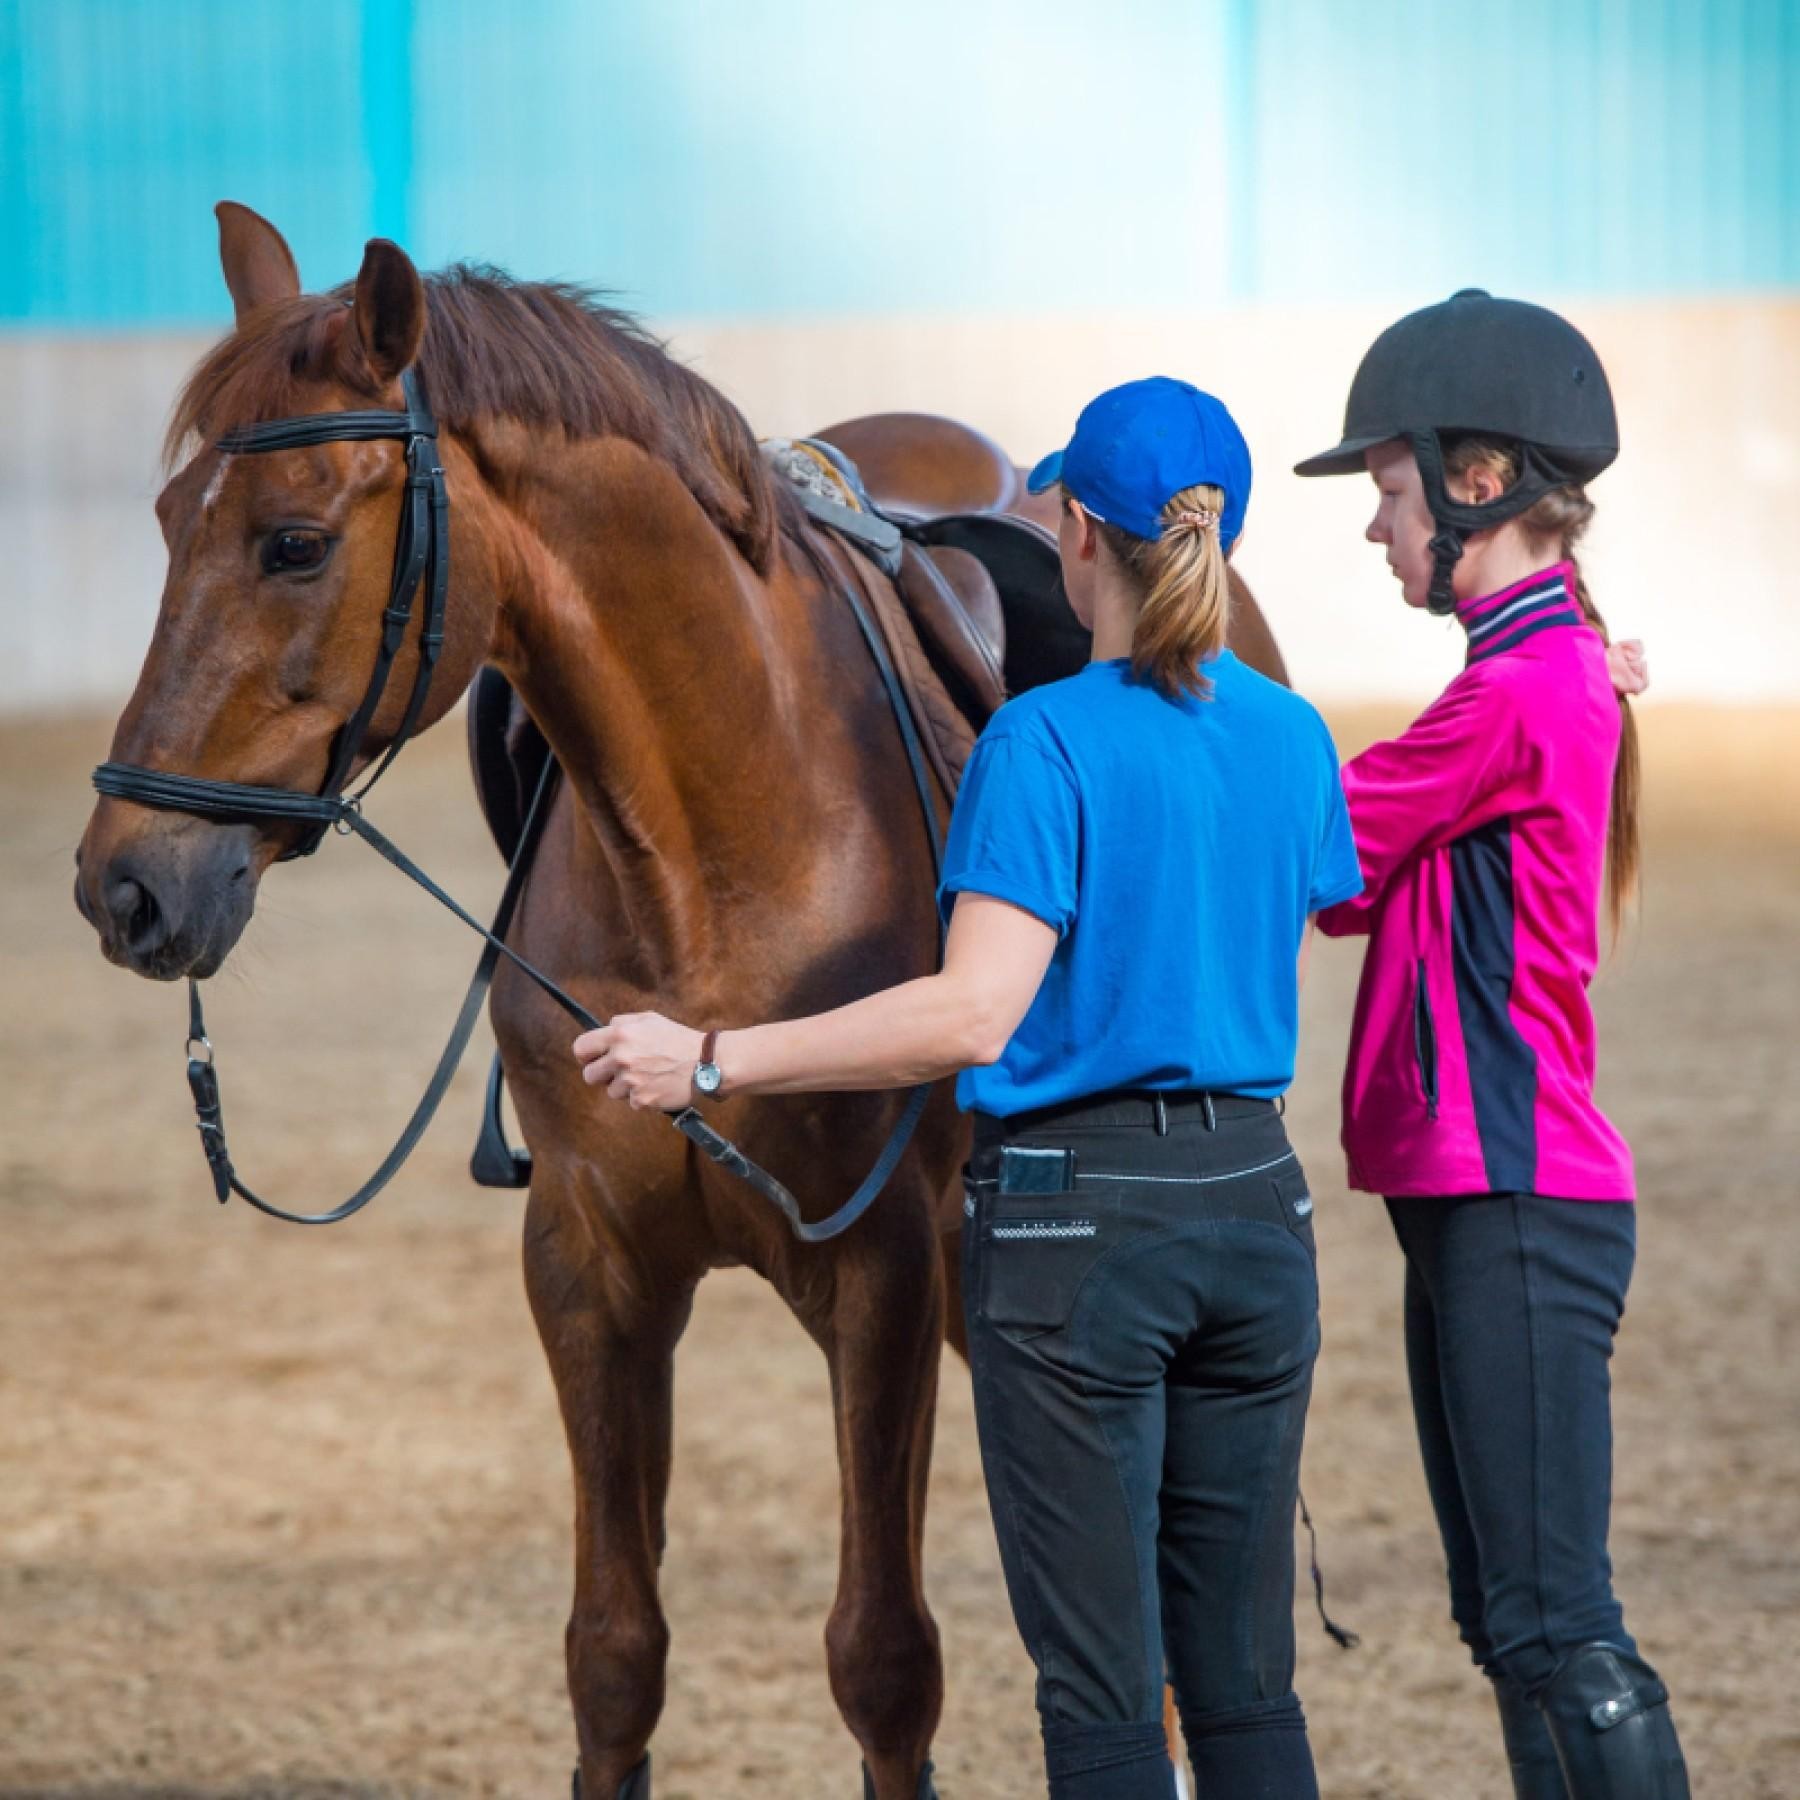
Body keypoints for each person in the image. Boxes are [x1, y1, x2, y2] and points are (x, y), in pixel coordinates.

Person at [576, 376, 1363, 1799]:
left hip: (1083, 1236)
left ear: (1070, 532)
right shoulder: (1294, 735)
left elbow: (969, 1012)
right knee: (1245, 1691)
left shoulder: (1041, 740)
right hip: (1258, 1215)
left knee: (1108, 1701)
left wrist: (708, 1056)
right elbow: (1287, 913)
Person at [1296, 288, 1689, 1799]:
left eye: (1390, 491)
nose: (1374, 526)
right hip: (1483, 1201)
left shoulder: (1512, 697)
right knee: (1510, 1626)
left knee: (1557, 1632)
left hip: (1519, 1203)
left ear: (1478, 486)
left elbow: (1311, 847)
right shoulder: (1530, 677)